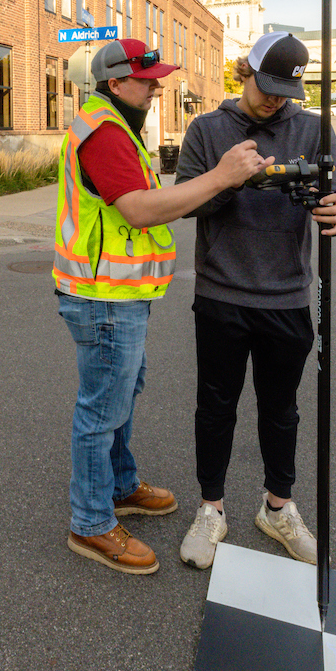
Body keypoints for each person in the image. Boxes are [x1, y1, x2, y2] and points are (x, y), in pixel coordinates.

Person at [54, 38, 271, 575]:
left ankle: (121, 486)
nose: (156, 87)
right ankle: (91, 522)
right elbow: (140, 210)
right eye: (146, 79)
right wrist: (220, 177)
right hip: (103, 297)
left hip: (119, 294)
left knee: (120, 396)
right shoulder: (104, 133)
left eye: (157, 78)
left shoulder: (116, 125)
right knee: (101, 410)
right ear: (114, 82)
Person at [175, 31, 336, 570]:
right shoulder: (207, 129)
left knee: (282, 410)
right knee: (216, 407)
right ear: (243, 72)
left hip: (287, 295)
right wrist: (228, 178)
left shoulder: (313, 128)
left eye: (285, 90)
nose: (274, 99)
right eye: (266, 86)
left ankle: (278, 507)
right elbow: (186, 201)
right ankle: (211, 509)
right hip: (222, 293)